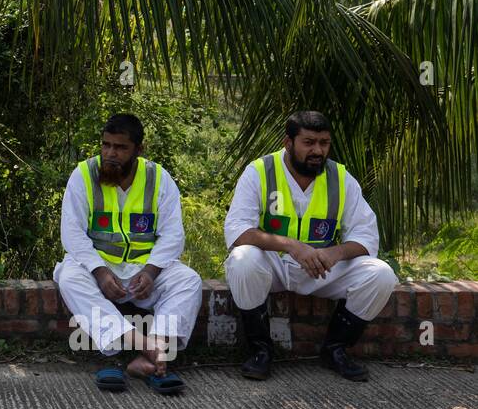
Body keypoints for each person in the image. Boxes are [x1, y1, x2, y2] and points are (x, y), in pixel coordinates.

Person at [224, 110, 398, 381]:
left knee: (381, 274)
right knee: (242, 258)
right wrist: (292, 245)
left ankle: (335, 349)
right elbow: (237, 231)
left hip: (321, 268)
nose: (317, 150)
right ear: (288, 143)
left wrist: (336, 252)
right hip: (274, 265)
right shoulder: (259, 171)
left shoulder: (341, 178)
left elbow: (367, 237)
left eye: (324, 143)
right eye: (309, 142)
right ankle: (260, 350)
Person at [54, 113, 202, 394]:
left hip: (145, 270)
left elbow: (173, 234)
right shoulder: (83, 175)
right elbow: (71, 234)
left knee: (189, 280)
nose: (110, 153)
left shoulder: (159, 178)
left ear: (138, 150)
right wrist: (99, 271)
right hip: (99, 268)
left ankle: (147, 353)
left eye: (120, 148)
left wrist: (151, 270)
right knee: (69, 276)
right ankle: (148, 347)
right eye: (106, 145)